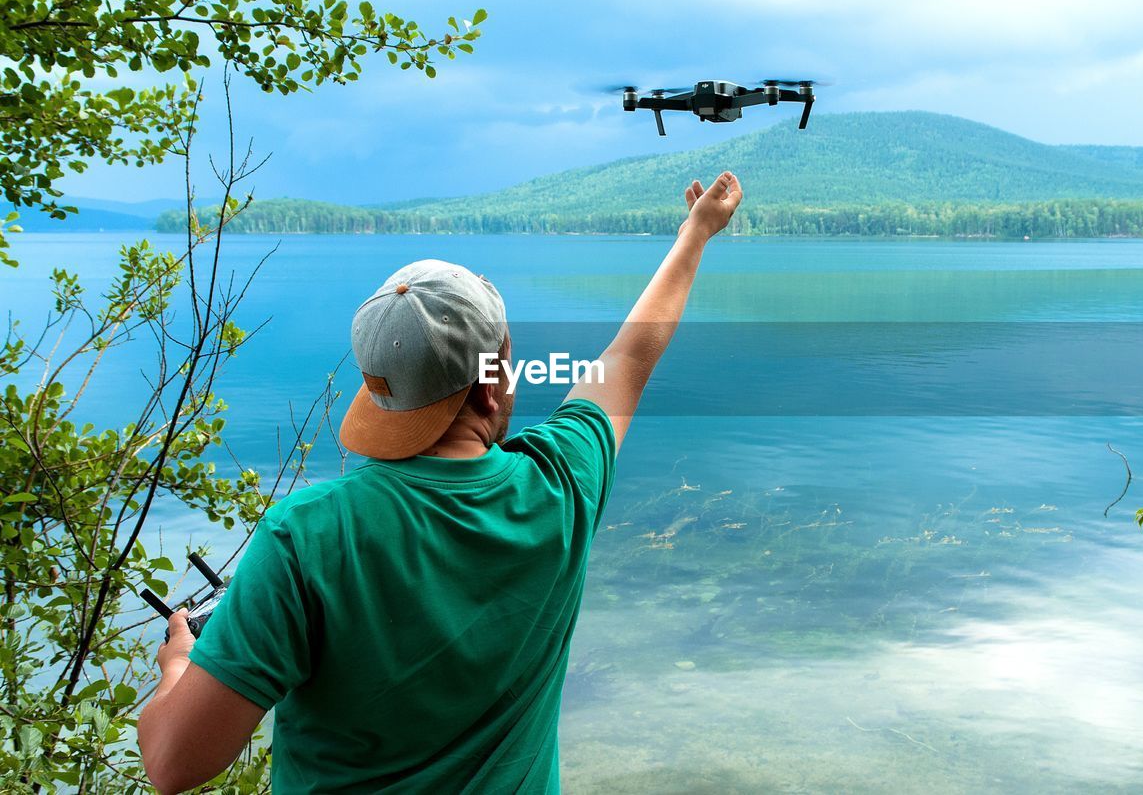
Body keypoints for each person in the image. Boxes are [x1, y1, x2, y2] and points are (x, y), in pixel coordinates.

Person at [137, 171, 744, 793]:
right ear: (490, 382)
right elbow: (628, 358)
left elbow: (173, 764)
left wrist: (178, 665)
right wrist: (695, 236)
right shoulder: (562, 484)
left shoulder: (308, 537)